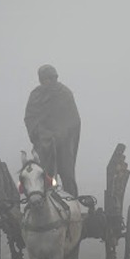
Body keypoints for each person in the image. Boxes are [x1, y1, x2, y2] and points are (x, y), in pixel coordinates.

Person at [24, 64, 81, 197]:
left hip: (64, 143)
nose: (47, 82)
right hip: (44, 143)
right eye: (44, 79)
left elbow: (73, 120)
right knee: (44, 176)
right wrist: (39, 134)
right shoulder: (36, 95)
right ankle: (43, 203)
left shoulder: (65, 94)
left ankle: (73, 201)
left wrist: (62, 133)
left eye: (49, 78)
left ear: (54, 78)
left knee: (67, 175)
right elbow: (30, 118)